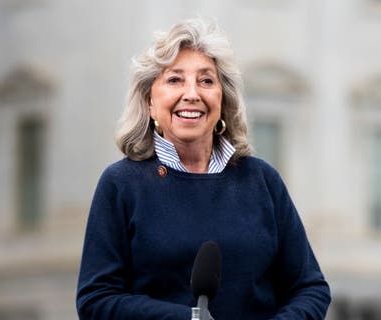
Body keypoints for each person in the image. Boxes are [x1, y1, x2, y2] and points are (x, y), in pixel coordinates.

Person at [76, 18, 331, 320]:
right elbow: (96, 300)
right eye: (174, 80)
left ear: (223, 100)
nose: (192, 93)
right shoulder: (121, 184)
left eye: (206, 81)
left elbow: (310, 288)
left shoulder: (261, 181)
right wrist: (187, 319)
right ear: (149, 103)